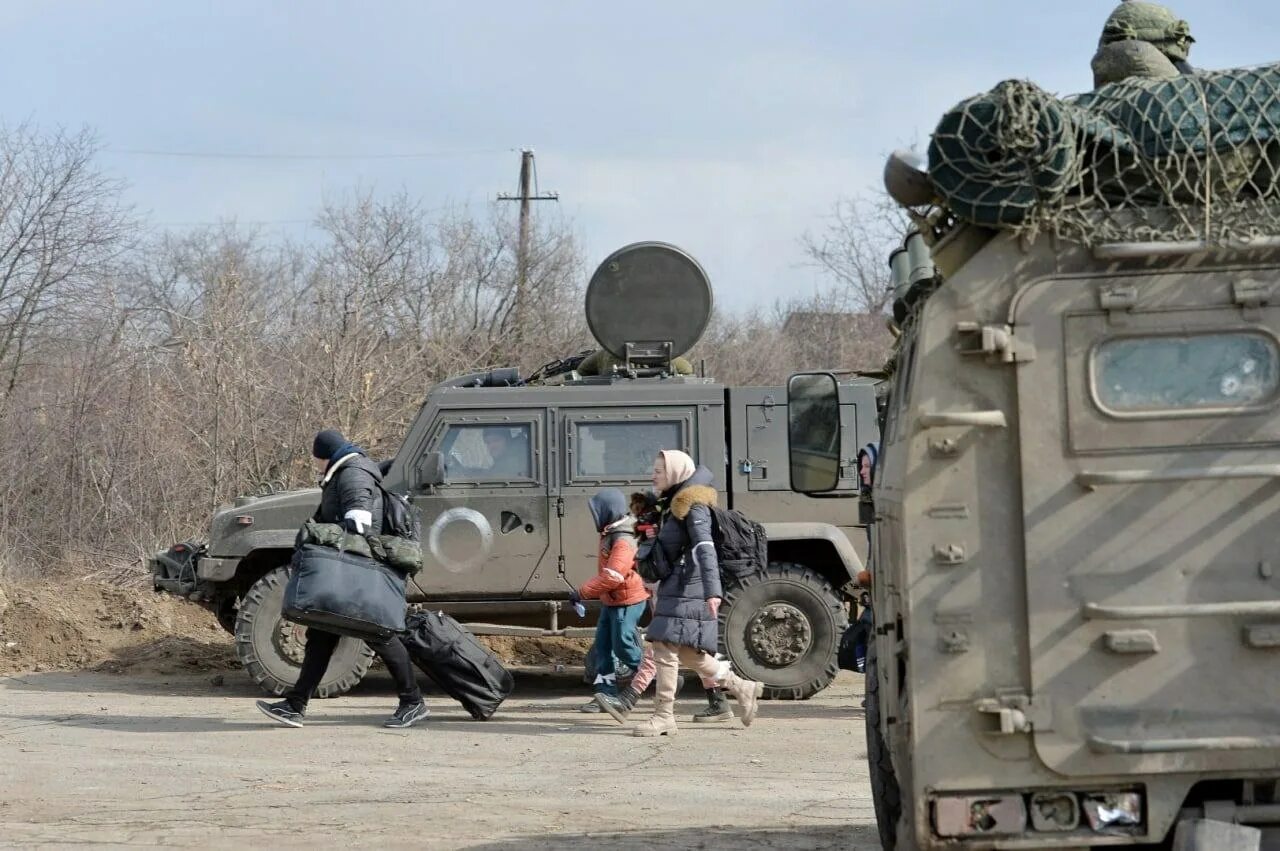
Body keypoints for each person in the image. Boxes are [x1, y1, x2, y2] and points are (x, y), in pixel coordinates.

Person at [256, 429, 428, 729]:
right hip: (351, 569)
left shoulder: (353, 473)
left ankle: (413, 701)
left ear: (325, 457)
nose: (316, 467)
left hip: (355, 570)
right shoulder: (352, 470)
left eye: (316, 461)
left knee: (382, 634)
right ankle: (296, 705)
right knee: (320, 636)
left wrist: (328, 533)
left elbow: (360, 520)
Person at [630, 449, 763, 737]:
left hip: (690, 586)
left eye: (659, 471)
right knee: (690, 654)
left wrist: (713, 591)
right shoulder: (672, 504)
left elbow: (706, 548)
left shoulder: (693, 506)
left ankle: (664, 715)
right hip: (679, 583)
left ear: (676, 473)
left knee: (663, 644)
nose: (653, 475)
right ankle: (742, 687)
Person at [595, 491, 730, 724]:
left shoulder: (676, 526)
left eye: (643, 513)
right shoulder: (665, 526)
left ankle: (629, 698)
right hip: (676, 593)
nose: (638, 518)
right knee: (695, 653)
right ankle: (723, 698)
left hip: (680, 594)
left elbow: (669, 560)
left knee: (661, 647)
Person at [567, 489, 648, 713]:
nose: (595, 516)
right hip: (613, 600)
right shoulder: (610, 531)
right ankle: (605, 694)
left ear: (608, 510)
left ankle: (658, 676)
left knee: (623, 646)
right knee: (603, 650)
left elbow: (613, 576)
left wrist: (581, 592)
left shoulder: (623, 538)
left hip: (627, 600)